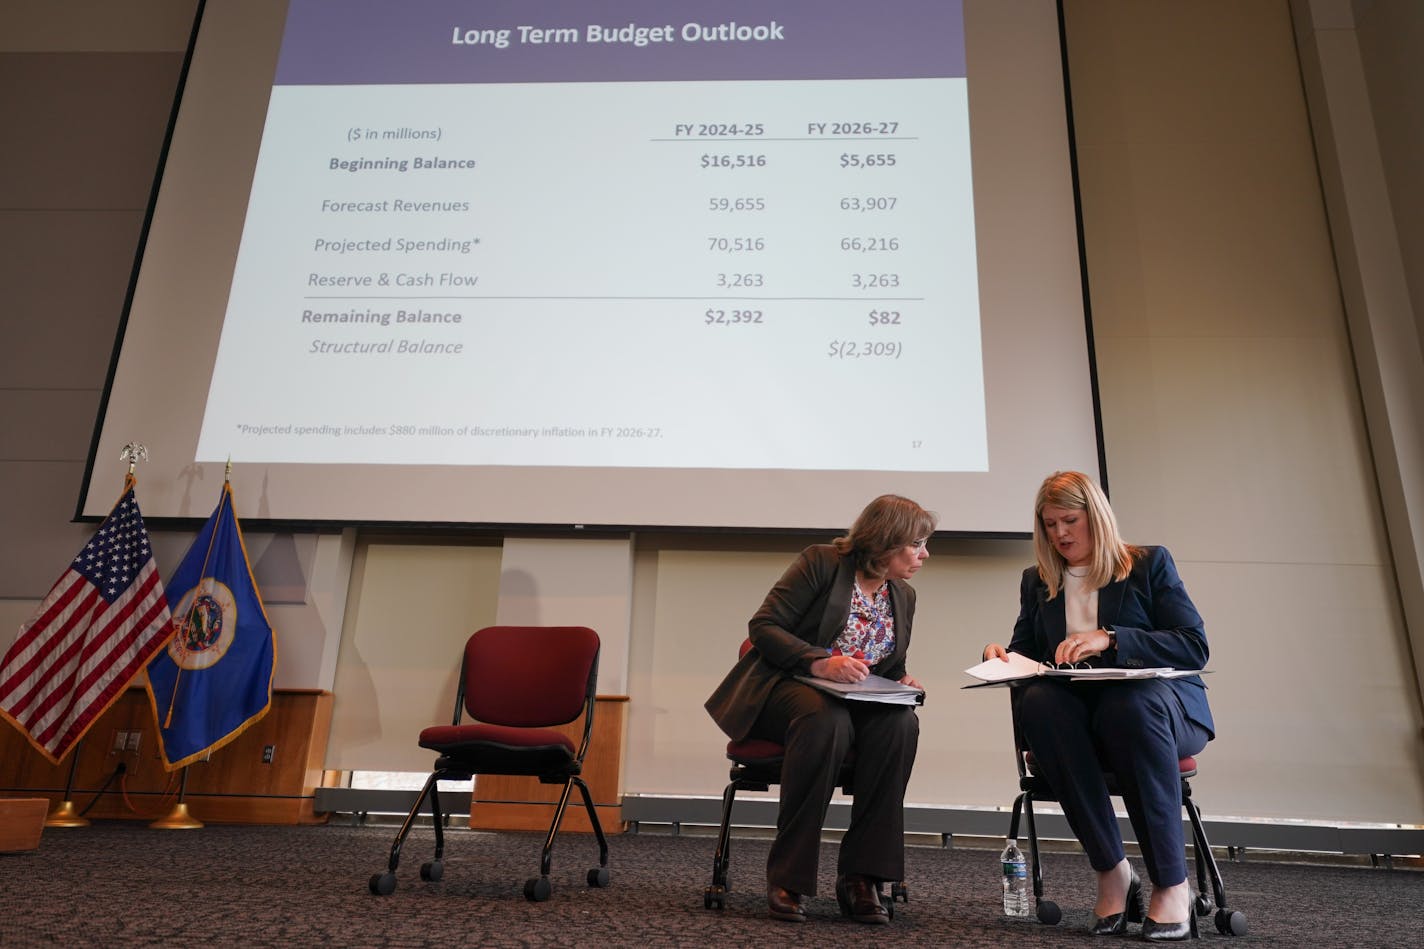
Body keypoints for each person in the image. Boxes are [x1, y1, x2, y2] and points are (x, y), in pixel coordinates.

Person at [983, 471, 1213, 940]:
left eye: (1069, 520)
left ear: (1097, 517)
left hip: (1159, 714)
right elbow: (1027, 652)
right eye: (1049, 525)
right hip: (1079, 723)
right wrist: (1002, 657)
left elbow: (1193, 646)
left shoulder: (1148, 565)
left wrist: (1110, 638)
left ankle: (1172, 882)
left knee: (1128, 707)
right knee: (1040, 702)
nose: (1060, 534)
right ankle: (1112, 870)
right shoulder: (1038, 581)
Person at [705, 494, 936, 924]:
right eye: (917, 544)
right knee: (824, 719)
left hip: (853, 701)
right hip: (786, 685)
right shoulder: (821, 563)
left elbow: (887, 663)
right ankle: (789, 879)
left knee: (901, 724)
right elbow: (764, 627)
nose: (925, 554)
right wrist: (818, 661)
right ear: (887, 542)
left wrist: (902, 681)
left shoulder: (903, 595)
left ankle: (862, 878)